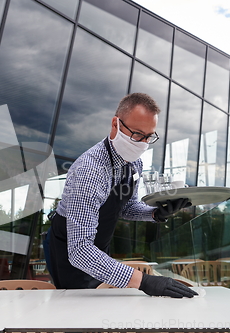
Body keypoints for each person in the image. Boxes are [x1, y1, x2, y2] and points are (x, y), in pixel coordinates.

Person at [46, 93, 196, 298]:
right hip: (70, 250)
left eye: (149, 137)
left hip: (98, 246)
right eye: (137, 134)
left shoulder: (135, 163)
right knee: (78, 311)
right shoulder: (89, 171)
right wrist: (144, 281)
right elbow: (80, 251)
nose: (143, 143)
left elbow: (126, 206)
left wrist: (155, 214)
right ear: (116, 124)